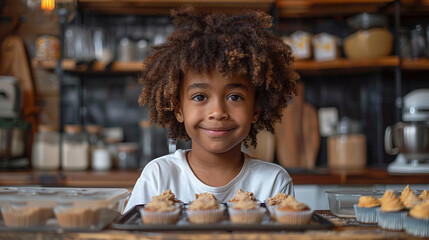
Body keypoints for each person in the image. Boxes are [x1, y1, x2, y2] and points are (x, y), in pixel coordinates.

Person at [124, 6, 299, 212]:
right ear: (178, 109)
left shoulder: (273, 182)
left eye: (235, 97)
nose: (217, 112)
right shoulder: (159, 176)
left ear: (256, 109)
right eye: (200, 97)